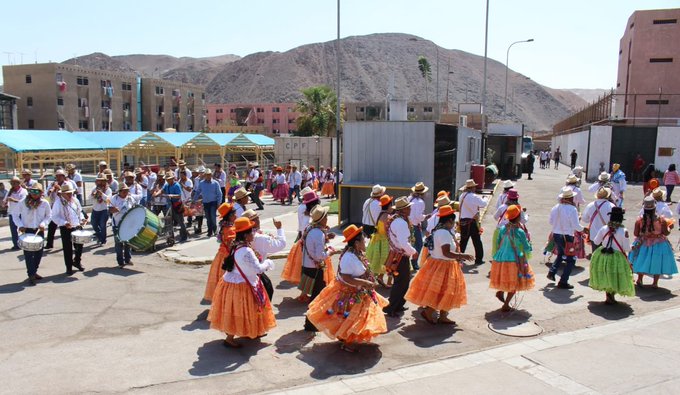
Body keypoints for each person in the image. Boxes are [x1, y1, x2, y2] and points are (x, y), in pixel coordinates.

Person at [305, 225, 388, 352]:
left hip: (359, 290)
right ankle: (347, 342)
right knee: (352, 319)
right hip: (350, 293)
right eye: (362, 239)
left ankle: (345, 338)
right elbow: (347, 277)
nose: (365, 241)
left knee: (350, 319)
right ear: (356, 243)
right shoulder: (349, 257)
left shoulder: (356, 253)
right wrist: (365, 282)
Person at [208, 217, 276, 348]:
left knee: (238, 311)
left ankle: (249, 332)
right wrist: (268, 263)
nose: (253, 234)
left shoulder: (236, 246)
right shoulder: (246, 250)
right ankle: (230, 338)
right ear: (245, 234)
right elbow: (257, 269)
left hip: (233, 282)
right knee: (243, 311)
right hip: (243, 285)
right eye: (251, 231)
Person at [406, 205, 473, 324]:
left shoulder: (438, 231)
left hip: (437, 264)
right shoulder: (444, 233)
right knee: (443, 291)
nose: (454, 224)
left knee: (444, 291)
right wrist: (462, 256)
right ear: (450, 221)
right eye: (454, 221)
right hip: (444, 265)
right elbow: (446, 253)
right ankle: (429, 313)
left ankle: (442, 315)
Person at [490, 205, 535, 312]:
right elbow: (526, 246)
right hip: (514, 259)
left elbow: (498, 241)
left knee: (505, 278)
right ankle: (506, 305)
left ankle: (501, 291)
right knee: (514, 282)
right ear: (518, 217)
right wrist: (529, 245)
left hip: (501, 257)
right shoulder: (519, 232)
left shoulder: (502, 229)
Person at [589, 207, 635, 304]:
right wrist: (632, 247)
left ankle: (608, 296)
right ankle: (611, 297)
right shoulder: (624, 231)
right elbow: (626, 248)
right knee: (614, 275)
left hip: (603, 254)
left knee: (606, 274)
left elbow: (596, 241)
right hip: (617, 256)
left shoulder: (603, 228)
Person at [301, 205, 336, 331]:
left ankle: (311, 322)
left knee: (315, 296)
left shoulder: (310, 229)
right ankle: (310, 323)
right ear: (321, 219)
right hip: (315, 269)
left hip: (307, 266)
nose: (327, 218)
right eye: (326, 216)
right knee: (317, 297)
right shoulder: (318, 233)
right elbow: (319, 256)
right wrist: (330, 253)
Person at [281, 190, 321, 300]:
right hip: (310, 246)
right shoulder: (310, 219)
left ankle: (305, 292)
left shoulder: (305, 214)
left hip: (304, 243)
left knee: (307, 270)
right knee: (312, 271)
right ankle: (309, 293)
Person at [630, 196, 677, 288]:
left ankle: (640, 279)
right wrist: (669, 227)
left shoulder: (639, 220)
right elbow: (666, 233)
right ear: (654, 207)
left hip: (643, 243)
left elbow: (636, 233)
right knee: (657, 261)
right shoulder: (661, 220)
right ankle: (655, 283)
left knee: (641, 260)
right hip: (659, 243)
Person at [383, 197, 418, 317]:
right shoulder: (401, 223)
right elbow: (404, 243)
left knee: (402, 281)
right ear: (403, 210)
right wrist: (413, 252)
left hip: (395, 254)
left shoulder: (395, 220)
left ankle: (398, 305)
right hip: (400, 256)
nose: (410, 209)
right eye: (408, 207)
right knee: (401, 282)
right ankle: (392, 307)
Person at [242, 209, 286, 301]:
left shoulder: (242, 237)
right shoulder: (259, 238)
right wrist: (279, 228)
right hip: (255, 273)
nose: (259, 220)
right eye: (257, 219)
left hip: (245, 273)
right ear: (253, 222)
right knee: (266, 292)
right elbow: (281, 244)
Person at [14, 183, 51, 285]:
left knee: (39, 253)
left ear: (41, 193)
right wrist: (20, 225)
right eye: (32, 191)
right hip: (27, 230)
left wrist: (43, 223)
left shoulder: (44, 203)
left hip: (39, 231)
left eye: (36, 192)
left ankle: (33, 271)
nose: (34, 194)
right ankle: (31, 275)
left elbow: (48, 215)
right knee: (28, 254)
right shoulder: (23, 202)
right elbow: (15, 215)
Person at [547, 187, 583, 289]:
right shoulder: (572, 209)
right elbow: (576, 225)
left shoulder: (555, 207)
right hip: (567, 237)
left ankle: (552, 271)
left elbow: (550, 222)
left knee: (560, 254)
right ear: (570, 198)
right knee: (571, 260)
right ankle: (563, 281)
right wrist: (583, 229)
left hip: (557, 234)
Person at [204, 203, 236, 302]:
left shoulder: (223, 226)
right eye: (234, 214)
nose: (236, 216)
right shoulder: (230, 229)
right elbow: (232, 245)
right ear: (230, 216)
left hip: (220, 256)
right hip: (227, 257)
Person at [51, 184, 86, 275]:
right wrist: (64, 223)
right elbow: (54, 217)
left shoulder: (75, 200)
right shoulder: (58, 202)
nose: (70, 195)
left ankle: (77, 261)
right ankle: (69, 267)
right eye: (67, 193)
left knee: (79, 246)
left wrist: (82, 219)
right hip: (66, 227)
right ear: (62, 194)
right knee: (67, 248)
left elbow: (79, 212)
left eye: (71, 193)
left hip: (77, 225)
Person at [366, 194, 394, 288]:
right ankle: (386, 281)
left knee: (379, 262)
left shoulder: (381, 214)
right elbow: (388, 231)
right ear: (389, 205)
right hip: (384, 241)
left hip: (377, 241)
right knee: (388, 262)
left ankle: (379, 278)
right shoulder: (387, 216)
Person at [458, 179, 487, 265]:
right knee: (477, 241)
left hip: (463, 221)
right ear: (473, 187)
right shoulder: (474, 196)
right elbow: (483, 204)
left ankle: (459, 257)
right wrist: (484, 198)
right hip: (472, 221)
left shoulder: (462, 196)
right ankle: (478, 259)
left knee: (463, 241)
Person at [45, 170, 76, 249]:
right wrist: (50, 191)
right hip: (55, 206)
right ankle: (49, 243)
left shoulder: (68, 184)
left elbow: (69, 194)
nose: (58, 177)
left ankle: (70, 244)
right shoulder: (52, 184)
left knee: (68, 226)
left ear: (63, 176)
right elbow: (46, 195)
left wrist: (58, 188)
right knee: (52, 226)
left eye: (60, 176)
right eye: (57, 176)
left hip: (65, 206)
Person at [492, 189, 528, 256]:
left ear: (508, 198)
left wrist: (503, 220)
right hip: (515, 231)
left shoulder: (502, 207)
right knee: (513, 250)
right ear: (517, 198)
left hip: (500, 229)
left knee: (499, 248)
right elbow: (523, 221)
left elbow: (495, 217)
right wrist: (526, 216)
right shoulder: (519, 208)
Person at [155, 172, 187, 243]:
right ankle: (171, 238)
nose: (168, 180)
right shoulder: (167, 185)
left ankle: (184, 236)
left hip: (177, 205)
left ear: (172, 179)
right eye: (167, 179)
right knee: (169, 222)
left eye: (169, 179)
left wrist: (171, 195)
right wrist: (156, 194)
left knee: (180, 221)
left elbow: (179, 195)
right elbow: (162, 190)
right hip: (170, 206)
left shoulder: (176, 185)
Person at [582, 188, 615, 255]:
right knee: (606, 255)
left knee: (596, 255)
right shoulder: (611, 206)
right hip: (607, 234)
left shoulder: (590, 205)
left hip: (594, 235)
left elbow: (585, 219)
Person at [109, 184, 135, 268]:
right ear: (119, 191)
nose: (126, 192)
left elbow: (134, 207)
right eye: (124, 191)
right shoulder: (114, 198)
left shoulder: (130, 198)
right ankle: (120, 261)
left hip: (128, 224)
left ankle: (128, 259)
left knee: (128, 242)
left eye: (127, 191)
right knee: (119, 243)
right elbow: (109, 210)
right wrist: (114, 209)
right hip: (117, 224)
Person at [195, 168, 222, 238]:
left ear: (211, 175)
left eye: (209, 175)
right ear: (205, 175)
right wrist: (194, 199)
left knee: (213, 217)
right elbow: (198, 191)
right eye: (207, 175)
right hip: (205, 202)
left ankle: (215, 230)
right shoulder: (201, 183)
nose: (208, 176)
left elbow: (219, 194)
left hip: (213, 202)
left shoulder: (215, 183)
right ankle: (209, 231)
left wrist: (219, 203)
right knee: (208, 217)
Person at [408, 182, 429, 271]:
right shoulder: (420, 202)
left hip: (407, 224)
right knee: (419, 244)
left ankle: (410, 262)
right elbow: (418, 216)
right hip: (415, 226)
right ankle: (414, 261)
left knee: (409, 245)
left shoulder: (409, 198)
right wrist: (425, 217)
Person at [4, 176, 27, 250]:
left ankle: (25, 243)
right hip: (12, 213)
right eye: (12, 183)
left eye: (14, 183)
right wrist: (4, 203)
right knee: (13, 231)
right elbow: (5, 201)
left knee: (23, 229)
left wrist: (13, 200)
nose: (13, 184)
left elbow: (24, 202)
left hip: (21, 213)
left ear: (18, 183)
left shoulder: (24, 191)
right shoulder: (9, 192)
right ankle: (16, 245)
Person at [90, 176, 112, 246]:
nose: (100, 182)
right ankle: (100, 236)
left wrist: (102, 194)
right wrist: (93, 195)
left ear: (105, 181)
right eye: (98, 181)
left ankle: (103, 240)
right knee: (94, 224)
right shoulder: (94, 188)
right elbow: (89, 198)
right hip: (95, 209)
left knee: (102, 225)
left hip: (104, 210)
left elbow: (108, 200)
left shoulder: (108, 190)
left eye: (102, 181)